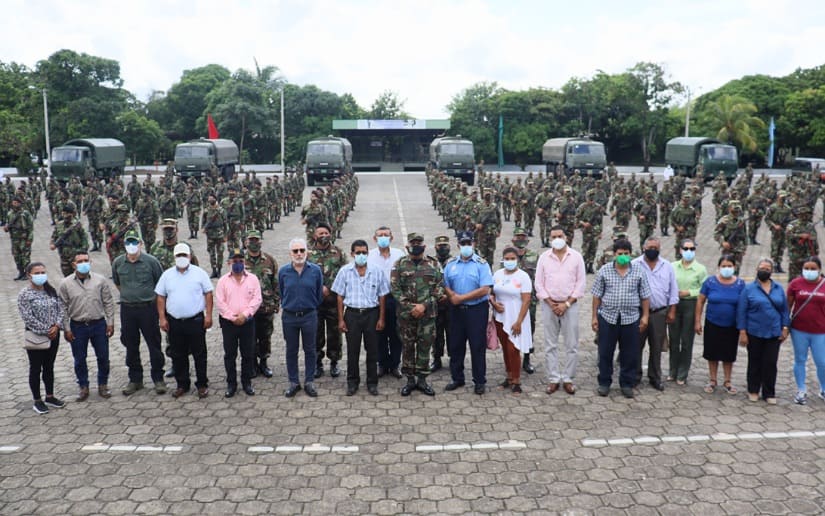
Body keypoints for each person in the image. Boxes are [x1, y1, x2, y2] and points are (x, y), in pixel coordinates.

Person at [591, 239, 651, 398]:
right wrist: (594, 317)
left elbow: (645, 296)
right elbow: (596, 295)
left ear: (630, 254)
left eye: (626, 254)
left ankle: (626, 383)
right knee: (605, 352)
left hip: (630, 318)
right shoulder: (605, 270)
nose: (623, 256)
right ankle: (604, 382)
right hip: (607, 317)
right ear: (614, 255)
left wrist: (645, 316)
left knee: (629, 353)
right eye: (620, 254)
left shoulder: (639, 271)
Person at [155, 243, 214, 399]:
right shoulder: (167, 275)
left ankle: (202, 384)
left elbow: (208, 294)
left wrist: (209, 315)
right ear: (175, 257)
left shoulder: (199, 273)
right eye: (179, 255)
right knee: (178, 355)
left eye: (184, 255)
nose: (182, 258)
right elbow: (160, 296)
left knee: (199, 354)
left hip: (195, 320)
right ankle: (182, 384)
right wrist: (162, 317)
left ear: (190, 256)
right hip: (174, 322)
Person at [111, 228, 166, 396]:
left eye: (135, 242)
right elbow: (118, 283)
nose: (131, 245)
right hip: (128, 309)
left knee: (154, 344)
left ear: (141, 244)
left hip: (148, 309)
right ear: (124, 245)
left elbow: (160, 283)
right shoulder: (118, 263)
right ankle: (135, 379)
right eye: (128, 242)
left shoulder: (151, 261)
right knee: (130, 344)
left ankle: (158, 379)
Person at [332, 239, 389, 396]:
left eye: (364, 252)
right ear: (352, 254)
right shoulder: (344, 271)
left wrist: (381, 318)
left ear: (368, 253)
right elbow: (339, 296)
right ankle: (352, 382)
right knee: (353, 350)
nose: (361, 255)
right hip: (352, 315)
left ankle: (372, 383)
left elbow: (382, 296)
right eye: (358, 253)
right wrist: (341, 319)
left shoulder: (377, 271)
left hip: (372, 314)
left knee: (372, 350)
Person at [391, 233, 445, 397]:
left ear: (424, 245)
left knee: (424, 347)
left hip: (427, 316)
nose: (416, 245)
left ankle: (422, 380)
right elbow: (395, 288)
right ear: (407, 246)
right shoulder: (399, 264)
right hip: (406, 316)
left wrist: (424, 305)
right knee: (407, 347)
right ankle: (410, 380)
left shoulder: (434, 263)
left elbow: (440, 287)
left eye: (419, 242)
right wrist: (410, 307)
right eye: (413, 242)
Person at [58, 251, 116, 401]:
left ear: (90, 262)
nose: (83, 264)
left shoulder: (100, 280)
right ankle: (83, 386)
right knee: (79, 359)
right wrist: (67, 328)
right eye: (80, 261)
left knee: (103, 357)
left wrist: (110, 322)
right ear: (73, 265)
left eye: (86, 260)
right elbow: (62, 307)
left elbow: (108, 302)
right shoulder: (65, 283)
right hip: (78, 326)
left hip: (98, 324)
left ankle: (103, 384)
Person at [534, 226, 586, 395]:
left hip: (570, 306)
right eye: (554, 236)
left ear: (566, 237)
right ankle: (554, 379)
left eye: (560, 235)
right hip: (549, 306)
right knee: (550, 344)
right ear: (550, 239)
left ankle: (569, 378)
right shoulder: (544, 257)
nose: (557, 239)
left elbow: (581, 284)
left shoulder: (576, 257)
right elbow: (539, 284)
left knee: (571, 344)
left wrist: (567, 304)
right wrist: (550, 303)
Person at [443, 230, 494, 395]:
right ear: (458, 245)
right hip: (456, 310)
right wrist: (452, 296)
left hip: (476, 310)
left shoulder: (482, 264)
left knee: (477, 346)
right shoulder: (451, 264)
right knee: (456, 345)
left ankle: (479, 381)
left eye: (469, 243)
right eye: (463, 243)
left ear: (474, 244)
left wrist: (461, 298)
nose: (466, 246)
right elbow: (445, 284)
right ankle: (457, 378)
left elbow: (485, 289)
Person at [737, 258, 790, 404]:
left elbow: (784, 310)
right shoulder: (749, 289)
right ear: (756, 269)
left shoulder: (778, 288)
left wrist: (785, 327)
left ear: (771, 271)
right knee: (755, 362)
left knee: (770, 362)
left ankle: (769, 392)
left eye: (767, 269)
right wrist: (742, 331)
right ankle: (753, 390)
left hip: (774, 332)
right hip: (754, 331)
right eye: (762, 268)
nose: (764, 271)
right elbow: (741, 311)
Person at [17, 262, 65, 414]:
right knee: (36, 368)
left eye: (43, 272)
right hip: (36, 336)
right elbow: (27, 317)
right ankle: (37, 400)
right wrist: (46, 330)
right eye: (37, 273)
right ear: (29, 275)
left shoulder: (50, 290)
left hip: (54, 334)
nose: (40, 275)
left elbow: (61, 309)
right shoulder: (25, 294)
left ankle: (50, 396)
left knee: (49, 366)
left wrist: (57, 326)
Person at [279, 237, 324, 398]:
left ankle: (309, 381)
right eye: (295, 251)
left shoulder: (315, 270)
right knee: (291, 350)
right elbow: (282, 291)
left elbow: (319, 294)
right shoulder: (283, 271)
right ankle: (293, 382)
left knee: (310, 349)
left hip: (309, 316)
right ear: (290, 253)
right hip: (289, 317)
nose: (299, 254)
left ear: (307, 251)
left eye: (302, 250)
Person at [632, 237, 678, 391]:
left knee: (657, 347)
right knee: (636, 345)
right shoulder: (635, 264)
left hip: (659, 313)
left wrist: (672, 310)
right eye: (650, 246)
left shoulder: (667, 266)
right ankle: (635, 376)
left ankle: (655, 377)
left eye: (656, 247)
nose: (653, 249)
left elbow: (673, 290)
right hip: (638, 313)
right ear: (643, 247)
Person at [695, 255, 745, 395]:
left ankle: (728, 381)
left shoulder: (740, 284)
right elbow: (700, 301)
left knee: (729, 354)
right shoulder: (710, 282)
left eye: (729, 266)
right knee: (712, 353)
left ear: (734, 267)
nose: (726, 269)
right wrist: (697, 320)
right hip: (712, 322)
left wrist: (742, 327)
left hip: (731, 325)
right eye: (724, 266)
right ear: (718, 267)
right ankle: (712, 380)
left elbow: (744, 306)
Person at [215, 248, 262, 397]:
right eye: (234, 261)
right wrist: (232, 317)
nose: (238, 264)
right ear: (229, 262)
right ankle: (231, 383)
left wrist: (245, 314)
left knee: (248, 353)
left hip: (247, 321)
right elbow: (220, 302)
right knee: (230, 354)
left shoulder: (253, 279)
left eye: (240, 261)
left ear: (245, 262)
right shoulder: (223, 281)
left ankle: (247, 382)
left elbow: (257, 299)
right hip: (229, 323)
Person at [490, 247, 533, 394]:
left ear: (518, 260)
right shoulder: (497, 274)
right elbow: (491, 293)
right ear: (502, 259)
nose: (509, 261)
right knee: (505, 348)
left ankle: (516, 380)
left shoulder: (523, 276)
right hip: (500, 317)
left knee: (513, 348)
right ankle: (508, 377)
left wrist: (519, 321)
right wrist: (494, 303)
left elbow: (527, 300)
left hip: (516, 316)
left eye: (512, 258)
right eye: (507, 259)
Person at [308, 223, 348, 379]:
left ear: (330, 234)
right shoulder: (308, 254)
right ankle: (317, 363)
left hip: (333, 302)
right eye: (320, 233)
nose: (323, 235)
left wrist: (330, 288)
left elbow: (345, 274)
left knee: (335, 334)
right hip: (314, 303)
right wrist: (319, 288)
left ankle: (334, 362)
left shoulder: (338, 253)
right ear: (314, 236)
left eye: (326, 232)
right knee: (315, 333)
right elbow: (304, 274)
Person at [368, 226, 405, 378]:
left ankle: (395, 364)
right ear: (374, 238)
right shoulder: (369, 255)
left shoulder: (399, 254)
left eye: (386, 235)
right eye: (380, 235)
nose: (383, 237)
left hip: (395, 298)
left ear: (391, 237)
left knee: (396, 333)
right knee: (379, 333)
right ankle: (382, 364)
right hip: (376, 299)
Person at [786, 256, 825, 405]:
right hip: (799, 330)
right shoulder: (795, 284)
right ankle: (801, 390)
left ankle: (823, 389)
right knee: (800, 360)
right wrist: (785, 326)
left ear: (819, 270)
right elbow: (788, 306)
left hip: (820, 331)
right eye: (806, 268)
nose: (809, 271)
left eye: (813, 269)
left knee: (822, 362)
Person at [669, 238, 707, 385]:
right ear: (680, 250)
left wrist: (689, 292)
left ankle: (682, 373)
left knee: (686, 341)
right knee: (673, 339)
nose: (689, 252)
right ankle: (672, 371)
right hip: (674, 305)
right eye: (686, 249)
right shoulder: (672, 266)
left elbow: (703, 290)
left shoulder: (700, 269)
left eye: (692, 249)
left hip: (691, 305)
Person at [244, 230, 280, 378]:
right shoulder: (241, 261)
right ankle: (252, 364)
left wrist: (276, 302)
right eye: (251, 240)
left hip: (266, 306)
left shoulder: (269, 260)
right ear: (246, 242)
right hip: (247, 308)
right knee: (249, 337)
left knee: (265, 336)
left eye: (256, 240)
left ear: (261, 241)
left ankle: (263, 363)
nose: (254, 243)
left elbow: (276, 283)